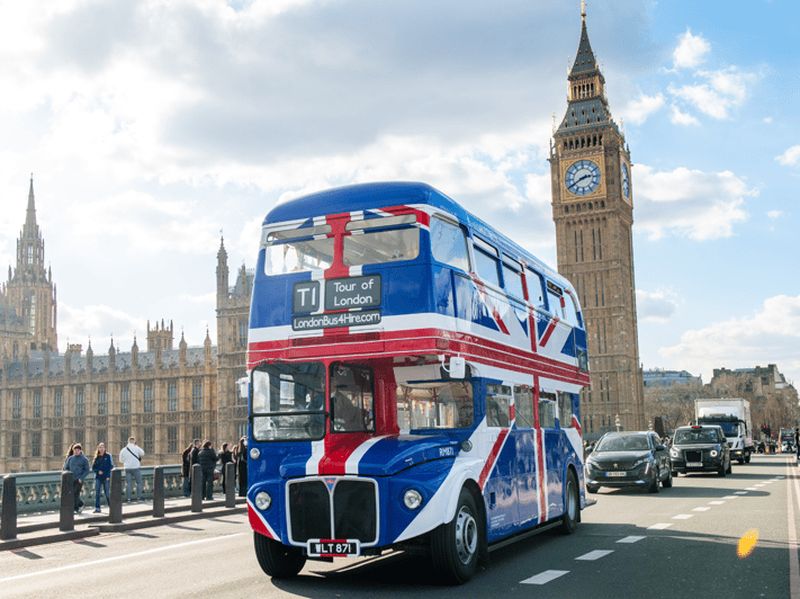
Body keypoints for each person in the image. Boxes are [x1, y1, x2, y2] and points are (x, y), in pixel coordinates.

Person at [64, 443, 90, 514]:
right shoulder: (70, 458)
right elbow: (66, 468)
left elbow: (87, 470)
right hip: (71, 479)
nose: (76, 451)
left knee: (75, 493)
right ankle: (81, 504)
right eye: (75, 450)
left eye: (78, 450)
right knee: (72, 493)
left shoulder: (84, 459)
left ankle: (75, 508)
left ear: (80, 450)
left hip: (79, 480)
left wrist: (81, 478)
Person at [119, 436, 145, 501]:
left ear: (128, 441)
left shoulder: (123, 450)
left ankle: (128, 498)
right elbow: (142, 453)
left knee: (128, 483)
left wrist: (126, 462)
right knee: (139, 482)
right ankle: (139, 497)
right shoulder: (136, 448)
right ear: (134, 441)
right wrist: (136, 446)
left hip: (127, 468)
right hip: (136, 468)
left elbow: (120, 460)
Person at [91, 442, 113, 513]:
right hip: (98, 477)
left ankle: (112, 507)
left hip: (106, 477)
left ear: (105, 448)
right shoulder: (96, 457)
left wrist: (108, 476)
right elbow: (93, 468)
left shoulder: (108, 456)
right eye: (100, 447)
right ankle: (97, 508)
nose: (101, 448)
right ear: (98, 448)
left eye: (102, 447)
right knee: (97, 493)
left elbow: (110, 467)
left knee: (107, 493)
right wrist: (98, 471)